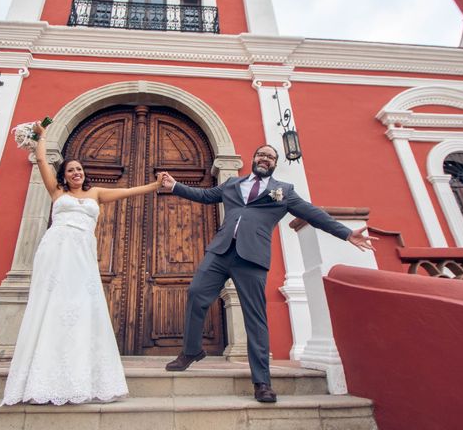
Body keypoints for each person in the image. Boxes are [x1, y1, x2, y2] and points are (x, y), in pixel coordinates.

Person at [161, 144, 376, 403]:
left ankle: (262, 382)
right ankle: (192, 351)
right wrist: (175, 186)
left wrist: (345, 233)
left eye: (270, 156)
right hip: (220, 252)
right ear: (253, 159)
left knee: (255, 318)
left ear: (274, 163)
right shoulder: (232, 184)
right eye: (261, 154)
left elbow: (313, 214)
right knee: (196, 293)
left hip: (251, 258)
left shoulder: (284, 191)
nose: (265, 158)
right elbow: (206, 195)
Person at [2, 121, 165, 405]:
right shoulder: (57, 193)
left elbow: (130, 192)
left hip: (82, 253)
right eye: (70, 170)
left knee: (80, 304)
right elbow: (41, 159)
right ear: (64, 176)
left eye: (79, 169)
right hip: (56, 249)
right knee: (52, 301)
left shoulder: (96, 194)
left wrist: (155, 184)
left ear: (83, 173)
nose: (76, 173)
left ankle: (79, 370)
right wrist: (42, 137)